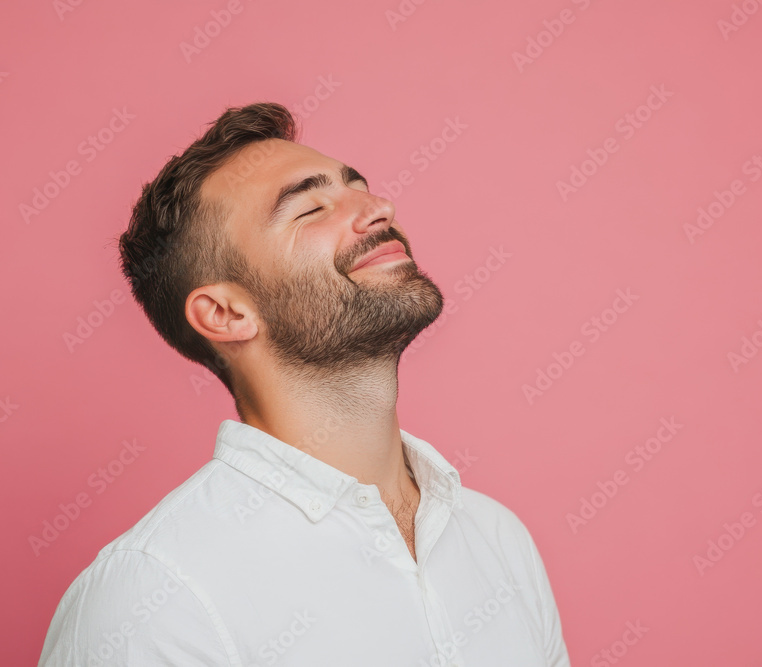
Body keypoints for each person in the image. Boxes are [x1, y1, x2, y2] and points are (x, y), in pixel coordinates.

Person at [37, 102, 571, 666]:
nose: (380, 208)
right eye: (311, 208)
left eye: (360, 188)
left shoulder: (498, 539)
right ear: (225, 313)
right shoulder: (154, 598)